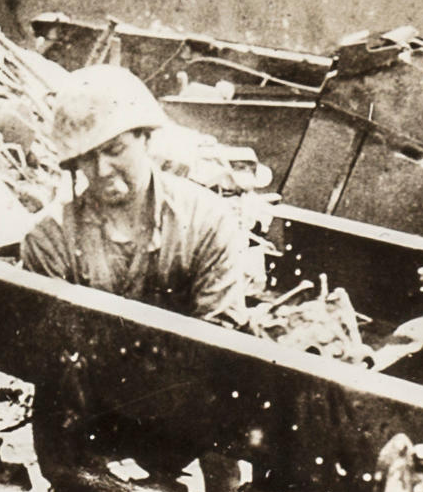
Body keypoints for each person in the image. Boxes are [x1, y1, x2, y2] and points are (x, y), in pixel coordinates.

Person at [14, 64, 267, 320]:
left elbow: (219, 334)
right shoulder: (49, 238)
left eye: (115, 150)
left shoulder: (205, 222)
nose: (102, 170)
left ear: (145, 139)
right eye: (88, 157)